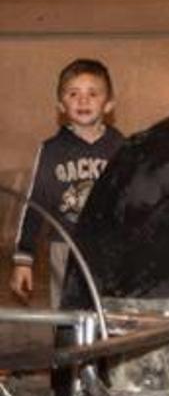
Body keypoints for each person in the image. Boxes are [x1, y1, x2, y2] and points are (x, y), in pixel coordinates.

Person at [9, 58, 126, 307]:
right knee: (67, 318)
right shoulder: (52, 150)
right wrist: (23, 259)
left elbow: (131, 201)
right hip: (65, 247)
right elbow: (35, 204)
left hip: (109, 249)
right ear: (61, 105)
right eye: (73, 94)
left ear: (109, 104)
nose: (83, 101)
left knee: (109, 317)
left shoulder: (122, 147)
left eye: (93, 94)